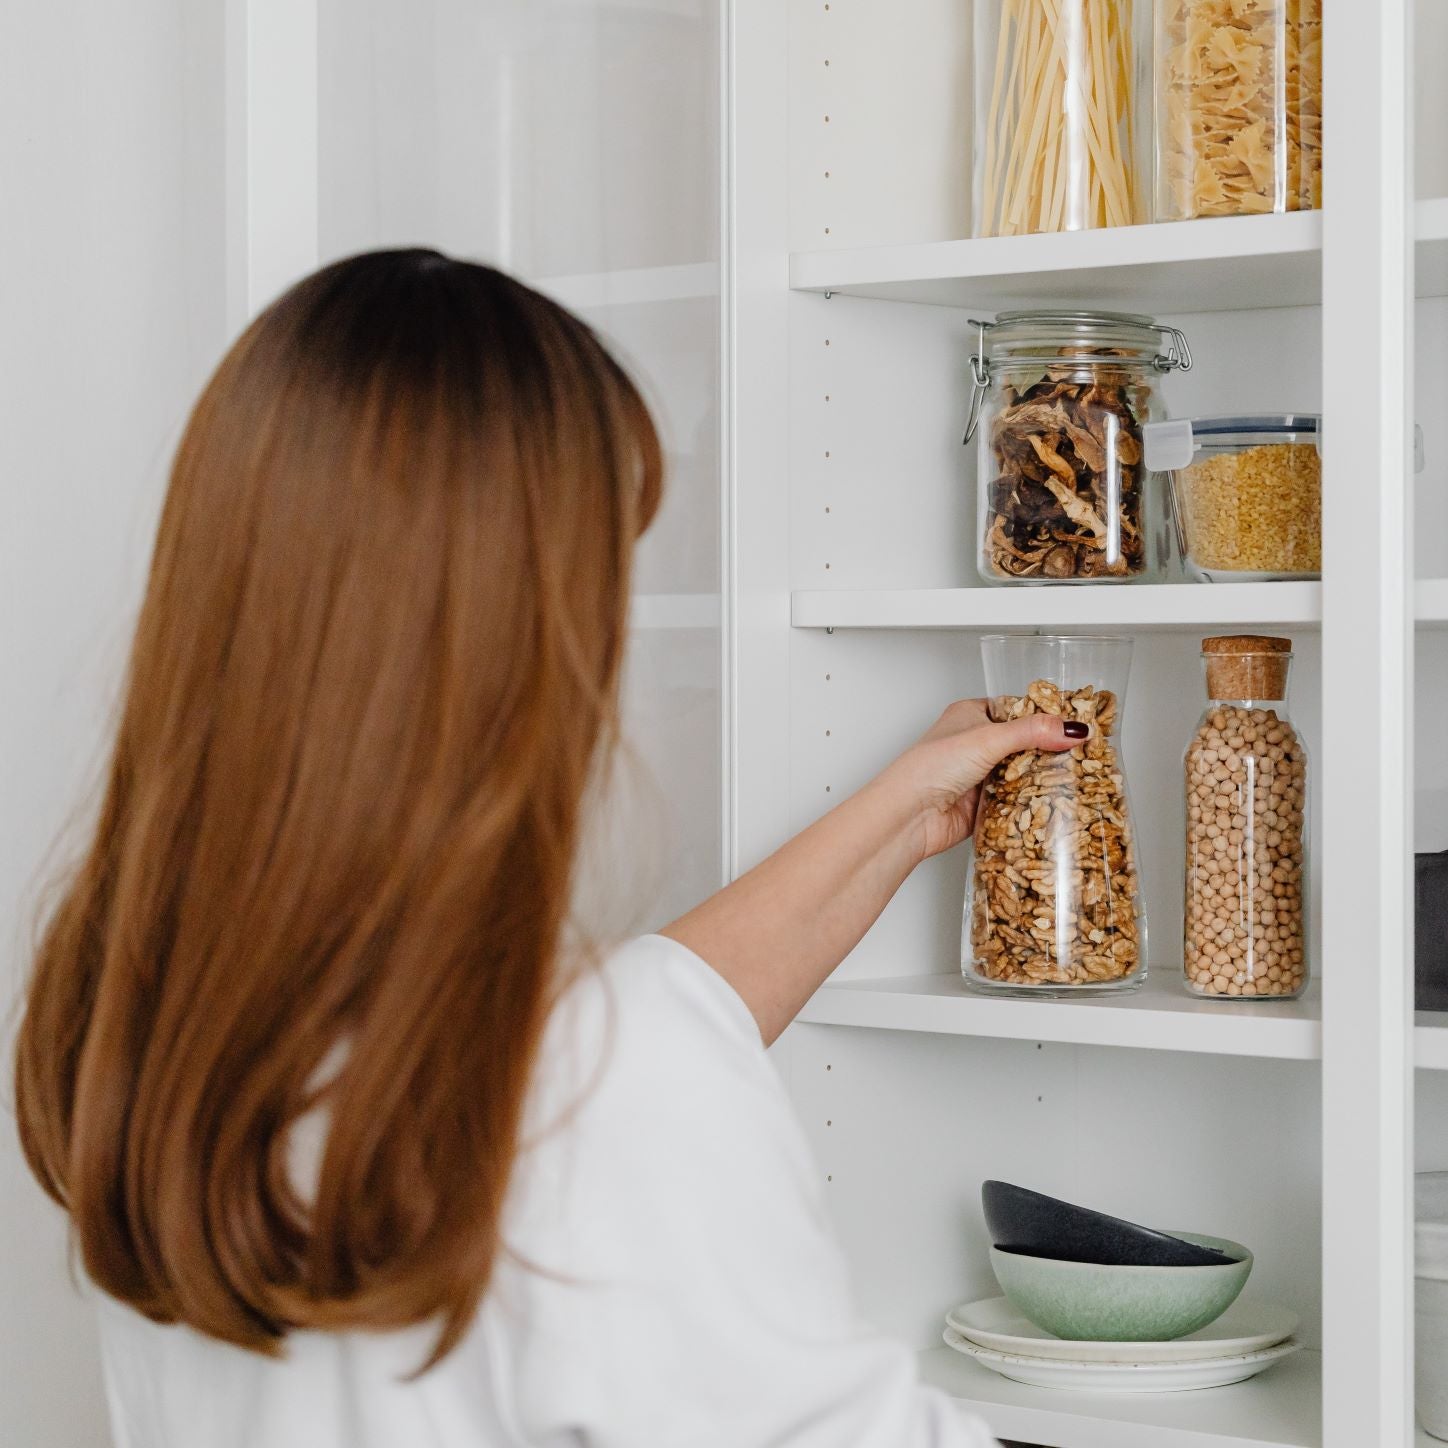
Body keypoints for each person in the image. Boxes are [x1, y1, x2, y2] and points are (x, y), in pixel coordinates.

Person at [14, 251, 1087, 1448]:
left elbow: (623, 1019)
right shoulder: (609, 1087)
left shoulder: (149, 1028)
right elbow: (609, 1066)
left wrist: (897, 813)